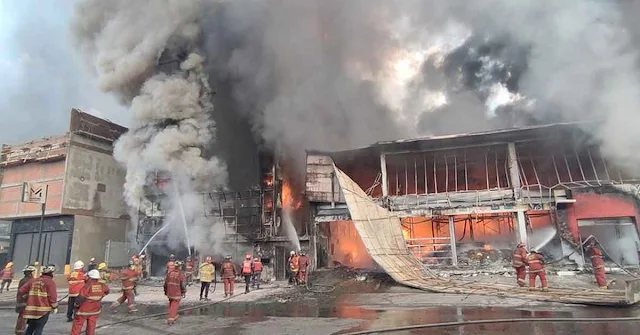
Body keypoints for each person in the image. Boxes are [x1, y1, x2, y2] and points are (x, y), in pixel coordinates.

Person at [18, 264, 58, 335]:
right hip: (43, 311)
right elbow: (52, 297)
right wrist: (55, 307)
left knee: (30, 328)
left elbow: (21, 291)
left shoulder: (33, 281)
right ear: (51, 273)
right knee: (39, 329)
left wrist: (27, 297)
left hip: (31, 310)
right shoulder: (50, 282)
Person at [70, 269, 109, 335]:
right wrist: (100, 297)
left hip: (83, 310)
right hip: (95, 310)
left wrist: (76, 305)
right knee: (91, 327)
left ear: (89, 277)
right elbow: (107, 291)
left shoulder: (87, 286)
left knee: (77, 326)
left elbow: (81, 297)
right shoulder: (102, 285)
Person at [14, 265, 35, 335]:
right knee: (23, 317)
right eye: (32, 272)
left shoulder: (23, 280)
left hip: (22, 301)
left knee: (22, 317)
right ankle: (20, 331)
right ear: (30, 273)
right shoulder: (29, 281)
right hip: (25, 302)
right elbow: (24, 292)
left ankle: (19, 330)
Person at [164, 260, 186, 325]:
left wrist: (165, 291)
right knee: (174, 305)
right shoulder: (181, 274)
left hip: (170, 292)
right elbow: (183, 285)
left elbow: (165, 283)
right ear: (180, 267)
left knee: (171, 304)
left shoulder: (169, 273)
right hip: (176, 293)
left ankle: (174, 315)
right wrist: (184, 291)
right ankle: (171, 319)